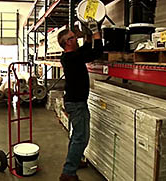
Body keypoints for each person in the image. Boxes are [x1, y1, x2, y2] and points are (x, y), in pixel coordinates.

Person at [57, 18, 103, 181]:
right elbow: (96, 53)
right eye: (73, 37)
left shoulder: (70, 56)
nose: (76, 38)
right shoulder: (72, 58)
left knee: (76, 135)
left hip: (74, 101)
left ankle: (74, 161)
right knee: (81, 137)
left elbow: (85, 50)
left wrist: (89, 36)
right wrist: (96, 32)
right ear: (67, 42)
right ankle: (68, 172)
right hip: (76, 104)